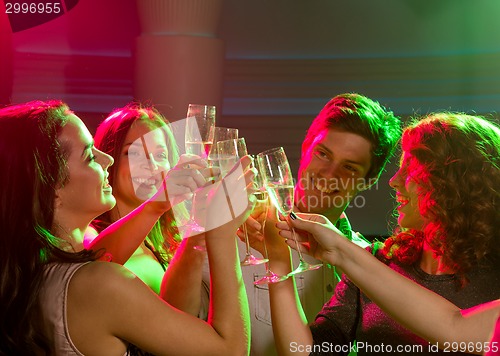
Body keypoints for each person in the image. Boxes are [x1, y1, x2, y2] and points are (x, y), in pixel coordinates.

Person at [0, 100, 253, 355]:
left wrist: (181, 218)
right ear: (51, 187)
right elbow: (231, 350)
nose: (107, 158)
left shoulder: (36, 272)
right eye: (90, 155)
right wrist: (222, 233)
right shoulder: (101, 283)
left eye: (161, 154)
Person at [269, 112, 500, 355]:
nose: (393, 181)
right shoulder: (379, 262)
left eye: (410, 169)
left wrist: (340, 249)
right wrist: (277, 258)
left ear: (452, 185)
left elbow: (455, 326)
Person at [234, 93, 402, 355]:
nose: (329, 174)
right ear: (306, 147)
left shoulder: (371, 267)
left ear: (368, 181)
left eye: (349, 167)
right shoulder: (244, 234)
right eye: (323, 154)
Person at [85, 104, 210, 315]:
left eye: (160, 155)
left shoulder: (169, 241)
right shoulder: (89, 233)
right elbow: (89, 271)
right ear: (107, 160)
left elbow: (184, 319)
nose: (151, 164)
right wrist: (157, 205)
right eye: (133, 153)